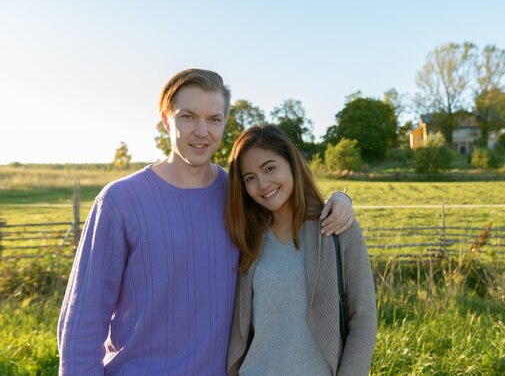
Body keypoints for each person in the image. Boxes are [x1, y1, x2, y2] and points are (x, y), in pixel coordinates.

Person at [57, 69, 355, 375]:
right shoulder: (120, 201)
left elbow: (291, 208)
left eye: (214, 119)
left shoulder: (242, 196)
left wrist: (340, 200)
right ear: (166, 119)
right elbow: (83, 319)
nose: (203, 132)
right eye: (188, 117)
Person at [226, 124, 377, 376]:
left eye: (270, 168)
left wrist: (342, 196)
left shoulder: (338, 228)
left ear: (292, 164)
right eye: (250, 178)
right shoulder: (247, 238)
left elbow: (363, 319)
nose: (262, 184)